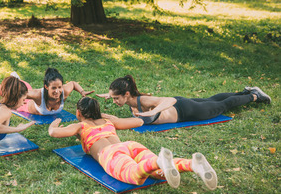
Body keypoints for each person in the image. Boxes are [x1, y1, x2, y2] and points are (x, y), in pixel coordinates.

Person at [48, 97, 218, 190]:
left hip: (110, 154)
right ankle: (192, 164)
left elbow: (54, 133)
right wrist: (115, 119)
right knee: (159, 173)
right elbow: (139, 123)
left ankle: (159, 161)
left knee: (136, 176)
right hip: (129, 146)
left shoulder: (80, 126)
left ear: (78, 113)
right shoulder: (109, 122)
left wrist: (54, 124)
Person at [96, 75, 271, 125]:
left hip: (187, 111)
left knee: (221, 105)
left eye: (116, 98)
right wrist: (109, 95)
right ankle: (243, 92)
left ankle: (254, 96)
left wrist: (155, 111)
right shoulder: (131, 99)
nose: (114, 101)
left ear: (126, 94)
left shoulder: (145, 102)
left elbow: (170, 100)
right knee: (210, 99)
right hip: (184, 106)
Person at [0, 68, 94, 115]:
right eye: (53, 88)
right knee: (12, 91)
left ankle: (17, 79)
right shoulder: (37, 95)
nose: (57, 91)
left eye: (59, 87)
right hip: (25, 106)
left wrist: (82, 92)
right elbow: (13, 92)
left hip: (30, 95)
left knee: (27, 87)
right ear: (46, 87)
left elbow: (73, 84)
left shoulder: (64, 91)